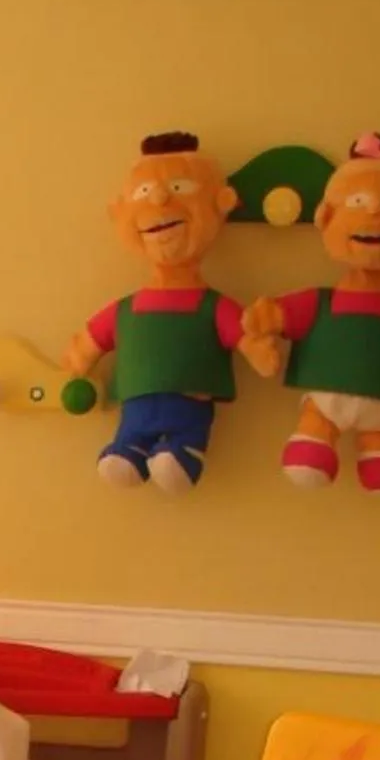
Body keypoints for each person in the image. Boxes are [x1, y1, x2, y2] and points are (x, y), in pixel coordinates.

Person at [67, 131, 281, 493]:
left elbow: (242, 334)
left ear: (220, 203)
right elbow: (95, 336)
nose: (162, 199)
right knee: (130, 433)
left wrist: (257, 348)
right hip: (136, 405)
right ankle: (128, 450)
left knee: (183, 439)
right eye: (145, 194)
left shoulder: (212, 306)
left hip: (189, 404)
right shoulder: (128, 307)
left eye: (179, 188)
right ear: (121, 212)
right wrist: (78, 357)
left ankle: (182, 451)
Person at [240, 134, 380, 493]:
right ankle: (316, 445)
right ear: (325, 217)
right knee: (311, 444)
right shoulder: (322, 302)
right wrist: (263, 322)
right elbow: (281, 314)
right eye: (359, 201)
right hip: (325, 403)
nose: (377, 212)